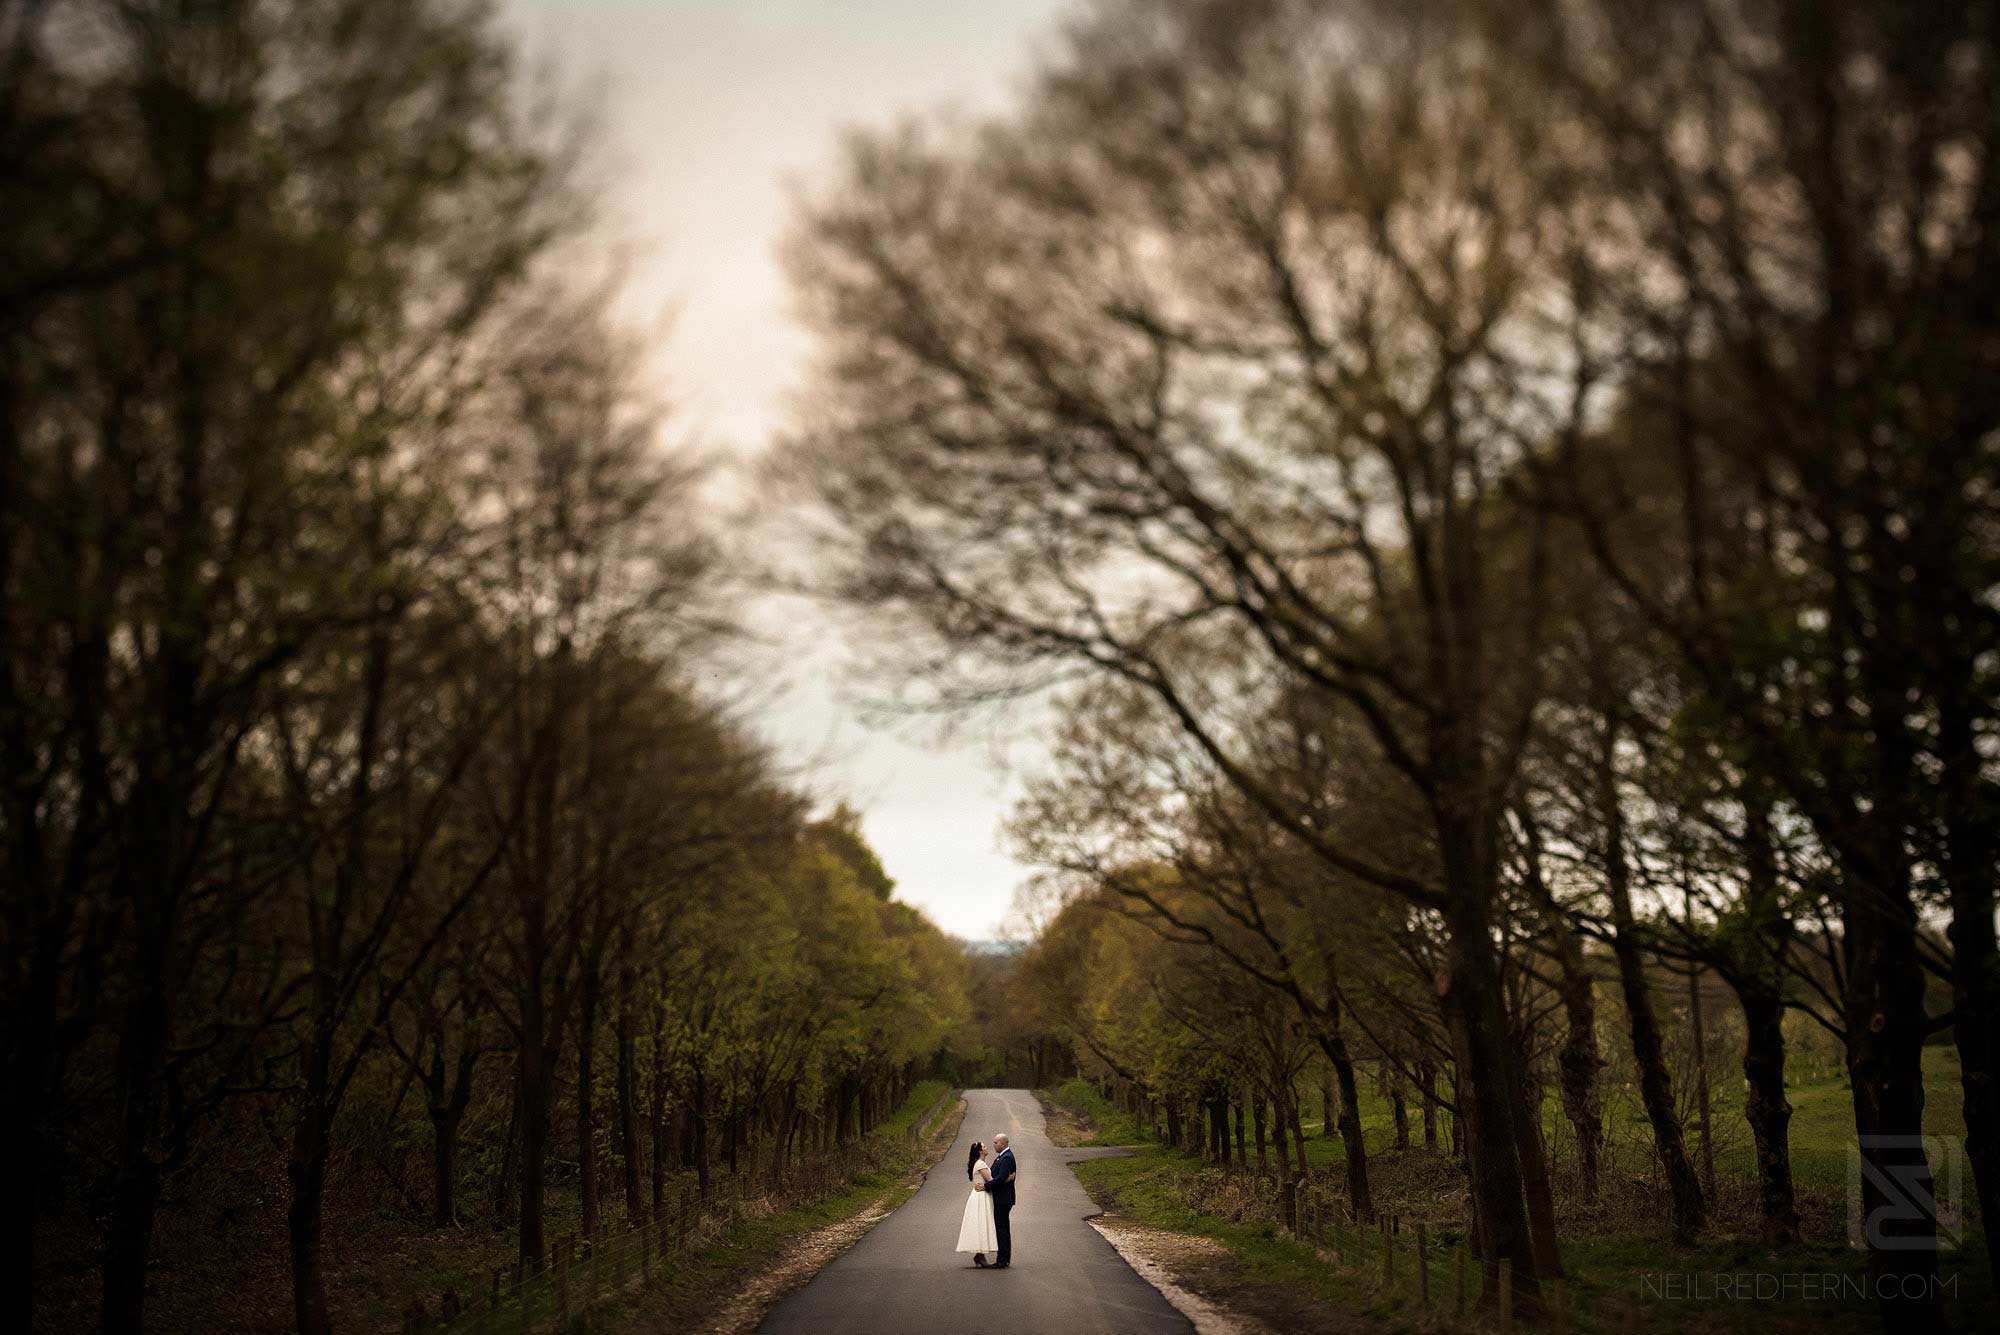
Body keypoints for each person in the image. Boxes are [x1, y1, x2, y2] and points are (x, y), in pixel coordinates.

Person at [972, 1131, 1017, 1268]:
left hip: (1003, 1199)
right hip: (1000, 1198)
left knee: (1001, 1229)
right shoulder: (1000, 1157)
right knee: (1001, 1228)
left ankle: (1002, 1260)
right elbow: (996, 1175)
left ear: (1003, 1144)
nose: (994, 1145)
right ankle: (1003, 1258)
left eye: (996, 1143)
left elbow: (1000, 1178)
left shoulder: (1007, 1157)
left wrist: (985, 1186)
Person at [955, 1141, 998, 1265]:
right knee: (982, 1222)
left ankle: (979, 1255)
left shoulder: (979, 1163)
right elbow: (991, 1181)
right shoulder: (980, 1164)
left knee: (981, 1222)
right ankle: (980, 1255)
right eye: (984, 1146)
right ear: (980, 1151)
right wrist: (1007, 1178)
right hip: (981, 1196)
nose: (986, 1147)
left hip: (980, 1194)